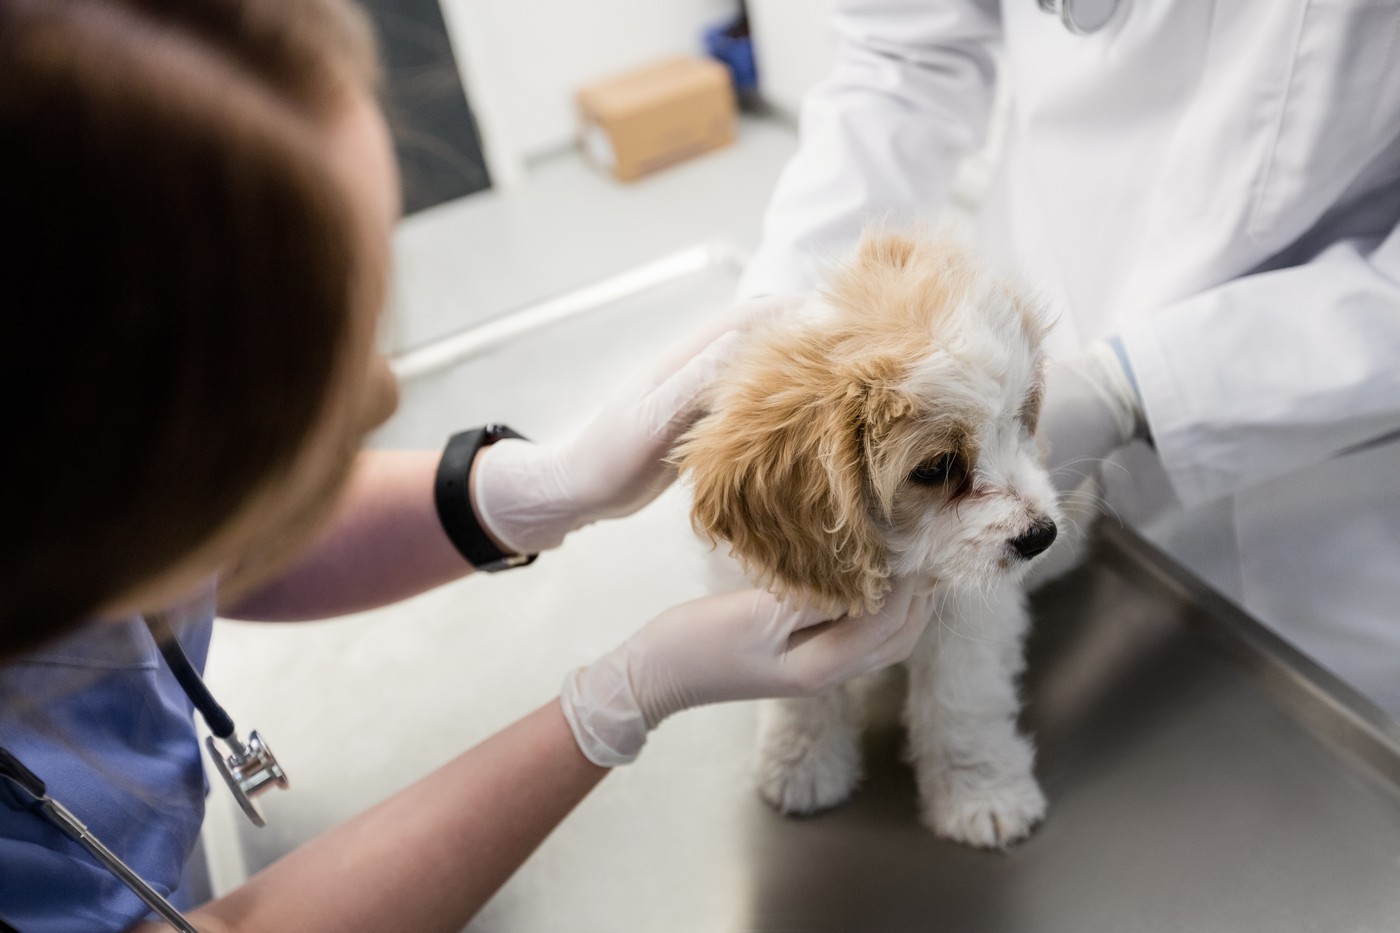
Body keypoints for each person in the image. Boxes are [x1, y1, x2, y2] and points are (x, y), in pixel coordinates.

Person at [0, 1, 934, 930]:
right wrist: (620, 700)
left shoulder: (69, 502)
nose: (383, 392)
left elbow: (219, 537)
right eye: (312, 346)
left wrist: (535, 489)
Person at [739, 0, 1400, 714]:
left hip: (1313, 493)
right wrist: (788, 319)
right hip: (1023, 318)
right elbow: (902, 58)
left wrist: (1132, 385)